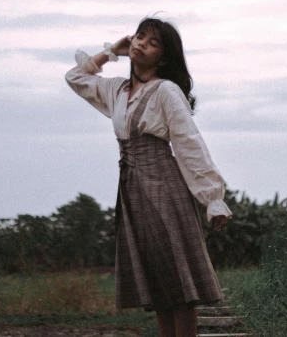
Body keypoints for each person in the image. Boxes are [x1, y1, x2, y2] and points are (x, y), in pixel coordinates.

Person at [65, 17, 232, 337]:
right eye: (140, 37)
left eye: (153, 42)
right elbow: (75, 77)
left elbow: (188, 142)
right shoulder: (116, 89)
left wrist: (213, 198)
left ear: (164, 57)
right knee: (158, 286)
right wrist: (111, 52)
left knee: (179, 286)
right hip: (131, 190)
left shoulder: (166, 91)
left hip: (164, 185)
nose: (141, 44)